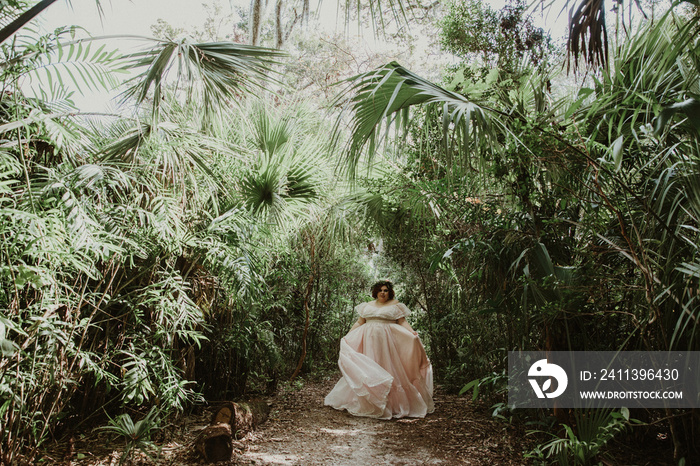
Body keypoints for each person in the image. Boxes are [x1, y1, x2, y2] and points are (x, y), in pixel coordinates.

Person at [324, 280, 434, 419]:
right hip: (368, 340)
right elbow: (360, 322)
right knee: (371, 364)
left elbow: (402, 322)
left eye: (386, 290)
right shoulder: (367, 306)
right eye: (380, 290)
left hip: (388, 342)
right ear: (376, 292)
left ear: (390, 292)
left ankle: (391, 404)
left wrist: (412, 333)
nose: (383, 292)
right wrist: (348, 335)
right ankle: (370, 401)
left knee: (387, 366)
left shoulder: (396, 305)